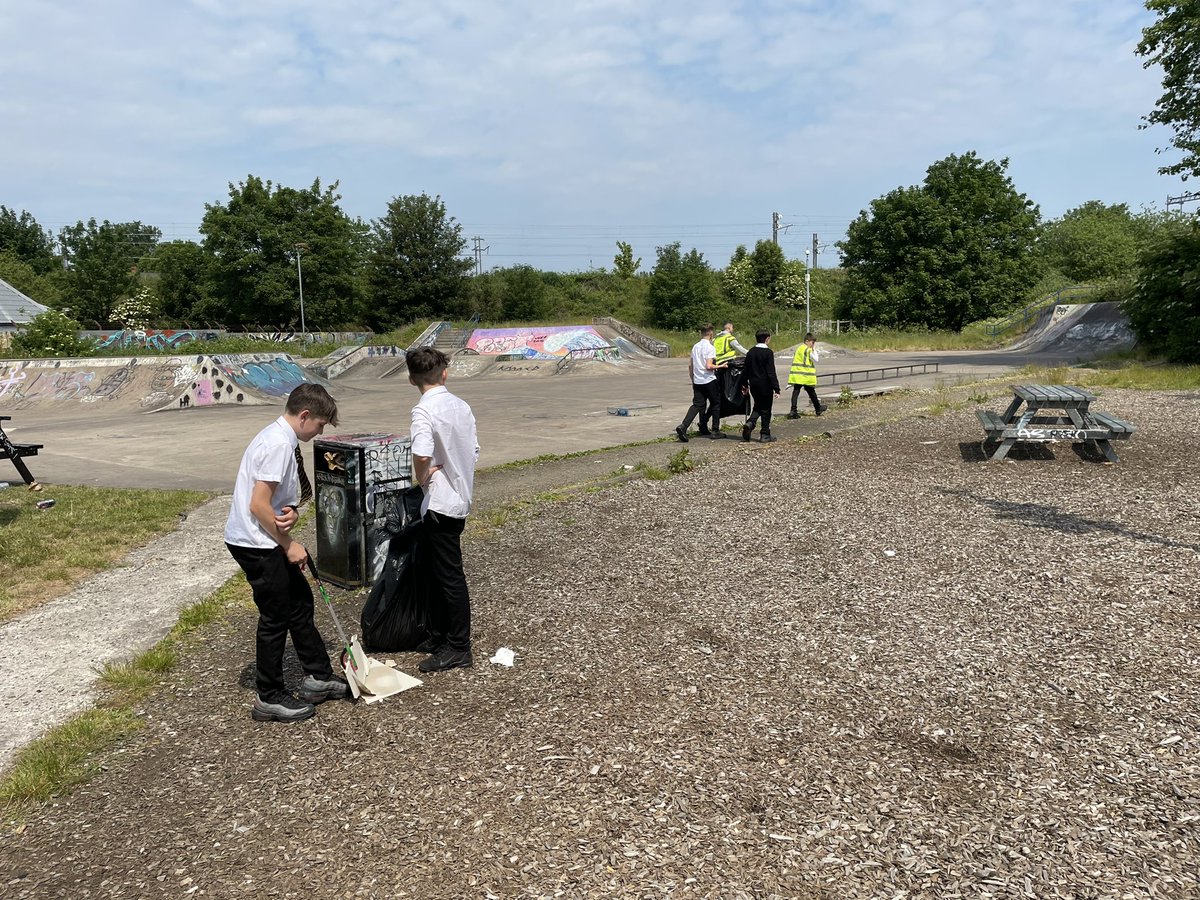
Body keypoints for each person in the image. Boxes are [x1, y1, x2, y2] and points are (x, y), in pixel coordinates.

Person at [225, 383, 349, 723]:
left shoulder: (281, 439)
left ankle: (318, 677)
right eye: (321, 424)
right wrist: (289, 545)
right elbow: (257, 504)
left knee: (300, 604)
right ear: (305, 415)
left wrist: (291, 510)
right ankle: (269, 695)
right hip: (256, 542)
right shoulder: (278, 444)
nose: (321, 430)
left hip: (266, 535)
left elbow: (274, 500)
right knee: (276, 615)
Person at [407, 347, 480, 673]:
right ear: (445, 373)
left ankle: (459, 647)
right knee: (437, 571)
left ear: (412, 379)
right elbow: (474, 449)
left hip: (440, 503)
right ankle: (440, 634)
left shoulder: (423, 411)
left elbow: (422, 453)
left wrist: (424, 477)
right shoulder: (462, 406)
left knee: (449, 576)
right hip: (459, 499)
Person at [675, 324, 727, 442]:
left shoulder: (695, 347)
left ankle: (684, 426)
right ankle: (715, 430)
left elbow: (690, 366)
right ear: (711, 333)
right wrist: (721, 366)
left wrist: (693, 379)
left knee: (698, 404)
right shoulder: (710, 347)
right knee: (716, 403)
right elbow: (709, 366)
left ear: (701, 333)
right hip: (708, 380)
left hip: (697, 380)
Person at [741, 329, 780, 443]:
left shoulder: (751, 352)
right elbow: (771, 372)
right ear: (767, 339)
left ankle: (750, 423)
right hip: (765, 385)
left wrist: (744, 385)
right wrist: (776, 388)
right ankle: (765, 434)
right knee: (766, 409)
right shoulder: (768, 353)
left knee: (758, 406)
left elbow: (745, 370)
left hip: (754, 385)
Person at [787, 332, 826, 418]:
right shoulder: (808, 350)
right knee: (811, 392)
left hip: (797, 374)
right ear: (807, 341)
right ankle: (818, 408)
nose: (813, 344)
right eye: (812, 342)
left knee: (796, 392)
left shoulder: (799, 348)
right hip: (805, 375)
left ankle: (793, 411)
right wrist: (814, 349)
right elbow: (816, 359)